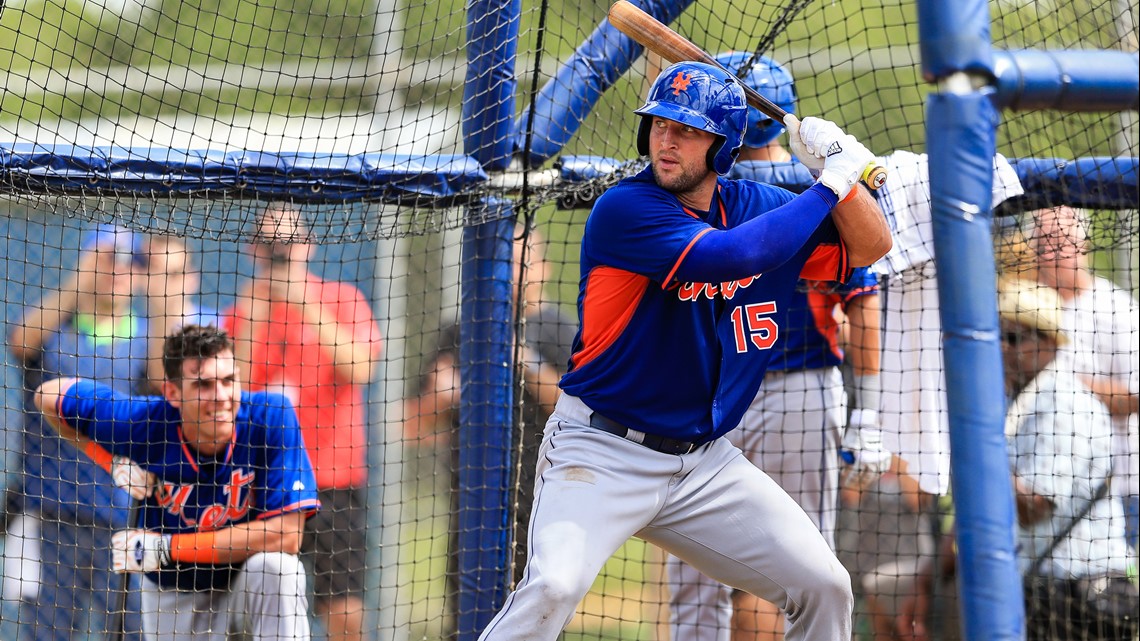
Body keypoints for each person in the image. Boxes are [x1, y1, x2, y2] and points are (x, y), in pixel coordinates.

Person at [476, 60, 892, 641]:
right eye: (659, 125)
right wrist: (829, 184)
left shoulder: (757, 204)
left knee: (825, 586)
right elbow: (733, 258)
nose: (666, 141)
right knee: (553, 588)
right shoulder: (626, 209)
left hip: (704, 462)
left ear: (722, 148)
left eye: (689, 130)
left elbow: (872, 246)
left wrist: (838, 166)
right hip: (600, 451)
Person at [666, 51, 892, 641]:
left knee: (711, 567)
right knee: (800, 560)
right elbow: (864, 307)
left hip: (733, 394)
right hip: (760, 397)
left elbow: (862, 291)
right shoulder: (805, 194)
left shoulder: (703, 190)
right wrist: (865, 411)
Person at [31, 324, 322, 641]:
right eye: (204, 385)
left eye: (228, 381)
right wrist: (111, 462)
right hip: (175, 593)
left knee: (279, 569)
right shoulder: (141, 422)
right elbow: (47, 396)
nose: (221, 396)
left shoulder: (270, 416)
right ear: (173, 393)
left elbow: (286, 536)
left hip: (244, 586)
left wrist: (168, 547)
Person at [897, 278, 1135, 641]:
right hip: (1038, 593)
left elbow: (1033, 507)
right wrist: (926, 580)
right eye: (997, 339)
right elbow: (978, 506)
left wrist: (978, 449)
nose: (1003, 351)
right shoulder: (1015, 403)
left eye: (1014, 339)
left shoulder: (1064, 403)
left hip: (1082, 600)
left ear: (1050, 344)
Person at [402, 228, 576, 638]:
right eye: (505, 259)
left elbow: (576, 409)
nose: (513, 270)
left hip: (546, 506)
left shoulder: (561, 328)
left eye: (522, 258)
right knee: (470, 621)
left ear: (544, 267)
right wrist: (441, 397)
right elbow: (411, 426)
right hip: (474, 508)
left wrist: (522, 359)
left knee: (542, 616)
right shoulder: (463, 330)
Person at [224, 202, 383, 641]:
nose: (281, 253)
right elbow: (231, 389)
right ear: (254, 250)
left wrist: (304, 301)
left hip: (333, 482)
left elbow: (360, 368)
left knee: (345, 614)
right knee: (255, 611)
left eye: (289, 243)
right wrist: (258, 310)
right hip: (262, 486)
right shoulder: (243, 311)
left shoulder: (340, 298)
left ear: (308, 246)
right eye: (271, 245)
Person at [6, 224, 148, 641]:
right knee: (45, 634)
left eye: (130, 262)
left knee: (132, 633)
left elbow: (162, 377)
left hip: (124, 518)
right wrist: (81, 278)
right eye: (108, 258)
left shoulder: (146, 339)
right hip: (49, 514)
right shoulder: (55, 327)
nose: (118, 270)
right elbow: (19, 343)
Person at [1031, 205, 1139, 555]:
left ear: (1083, 246)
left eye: (1060, 243)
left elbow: (1135, 397)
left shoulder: (1117, 309)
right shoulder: (1027, 310)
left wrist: (1065, 385)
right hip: (1044, 485)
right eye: (1042, 244)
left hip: (1120, 487)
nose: (1051, 254)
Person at [135, 234, 220, 393]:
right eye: (154, 269)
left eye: (173, 273)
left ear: (192, 277)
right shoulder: (131, 331)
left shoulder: (217, 325)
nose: (162, 281)